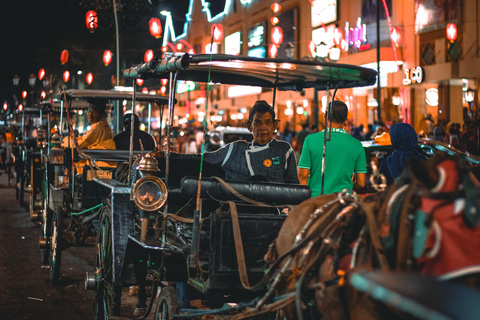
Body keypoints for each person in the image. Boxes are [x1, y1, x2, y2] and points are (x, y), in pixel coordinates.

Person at [179, 100, 299, 184]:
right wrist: (166, 156)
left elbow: (293, 185)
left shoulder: (284, 150)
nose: (262, 127)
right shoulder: (235, 150)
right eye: (257, 123)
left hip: (276, 211)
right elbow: (200, 159)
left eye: (267, 122)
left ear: (274, 126)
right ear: (249, 126)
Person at [298, 100, 366, 197]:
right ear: (345, 121)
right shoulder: (357, 144)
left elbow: (303, 176)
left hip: (316, 200)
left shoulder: (310, 140)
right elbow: (361, 183)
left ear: (325, 117)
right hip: (343, 201)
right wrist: (348, 189)